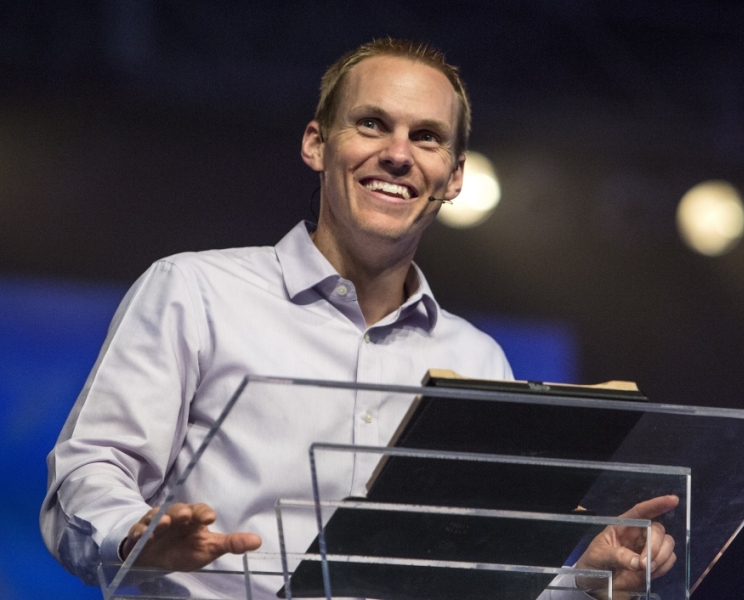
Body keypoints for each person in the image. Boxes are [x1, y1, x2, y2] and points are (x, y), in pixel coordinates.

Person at [40, 38, 676, 598]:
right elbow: (90, 472)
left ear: (454, 176)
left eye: (426, 137)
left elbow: (478, 577)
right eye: (372, 124)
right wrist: (136, 536)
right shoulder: (196, 292)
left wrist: (585, 584)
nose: (398, 154)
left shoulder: (479, 359)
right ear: (317, 143)